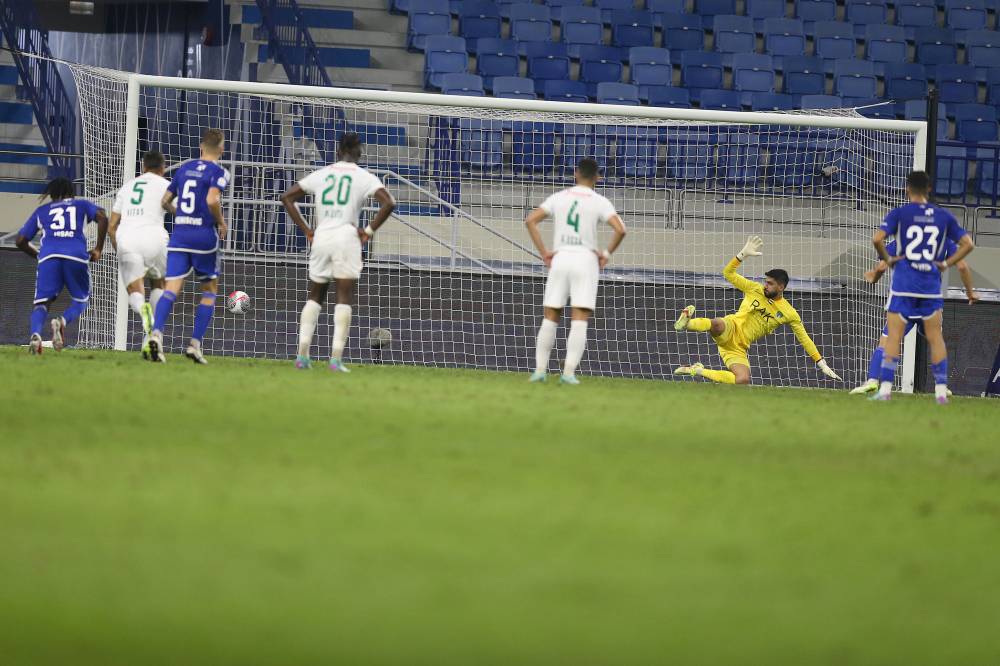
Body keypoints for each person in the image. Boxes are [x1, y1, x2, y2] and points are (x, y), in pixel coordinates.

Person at [279, 132, 396, 372]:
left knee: (316, 294)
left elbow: (287, 197)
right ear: (359, 154)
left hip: (322, 236)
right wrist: (368, 231)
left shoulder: (322, 174)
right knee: (343, 296)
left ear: (336, 152)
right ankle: (335, 360)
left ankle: (302, 356)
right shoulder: (364, 177)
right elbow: (389, 202)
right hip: (346, 237)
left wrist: (307, 231)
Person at [673, 235, 841, 385]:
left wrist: (821, 363)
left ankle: (696, 370)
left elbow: (804, 339)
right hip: (731, 326)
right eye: (765, 281)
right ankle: (686, 324)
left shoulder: (789, 313)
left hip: (738, 347)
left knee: (742, 380)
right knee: (717, 324)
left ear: (781, 287)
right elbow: (728, 273)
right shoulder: (754, 288)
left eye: (770, 283)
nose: (765, 285)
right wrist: (742, 255)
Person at [870, 171, 974, 403]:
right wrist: (946, 264)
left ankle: (885, 389)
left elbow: (877, 239)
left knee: (893, 338)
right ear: (929, 188)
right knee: (936, 338)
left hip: (904, 286)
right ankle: (940, 391)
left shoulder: (901, 214)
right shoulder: (943, 216)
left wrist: (887, 259)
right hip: (929, 288)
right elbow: (968, 245)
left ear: (907, 189)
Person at [525, 158, 627, 385]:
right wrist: (606, 254)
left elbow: (531, 220)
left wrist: (544, 252)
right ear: (597, 177)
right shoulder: (600, 201)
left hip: (561, 258)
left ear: (576, 173)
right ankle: (569, 373)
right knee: (579, 318)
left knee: (551, 315)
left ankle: (540, 371)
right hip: (586, 260)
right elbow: (621, 229)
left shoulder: (559, 197)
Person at [850, 235, 978, 395]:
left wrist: (873, 278)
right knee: (936, 342)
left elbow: (882, 266)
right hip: (929, 302)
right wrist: (970, 292)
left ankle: (873, 380)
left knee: (886, 342)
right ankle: (941, 385)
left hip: (905, 301)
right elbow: (962, 266)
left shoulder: (904, 237)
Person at [148, 129, 230, 364]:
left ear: (201, 147)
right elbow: (212, 199)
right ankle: (194, 345)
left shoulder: (184, 168)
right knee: (209, 291)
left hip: (180, 235)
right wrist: (221, 221)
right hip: (204, 236)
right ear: (221, 150)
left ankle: (156, 335)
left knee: (171, 289)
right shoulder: (220, 172)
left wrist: (180, 214)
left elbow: (165, 201)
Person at [15, 177, 108, 353]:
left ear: (52, 194)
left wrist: (39, 256)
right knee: (81, 298)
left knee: (42, 302)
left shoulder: (42, 210)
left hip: (49, 257)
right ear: (71, 193)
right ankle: (62, 321)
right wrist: (98, 249)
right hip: (76, 255)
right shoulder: (81, 205)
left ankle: (35, 335)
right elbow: (102, 217)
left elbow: (20, 240)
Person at [109, 150, 170, 358]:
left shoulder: (127, 188)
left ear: (143, 167)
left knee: (135, 291)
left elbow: (111, 226)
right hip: (155, 238)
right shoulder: (166, 185)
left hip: (128, 240)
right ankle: (152, 337)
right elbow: (178, 210)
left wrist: (121, 251)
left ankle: (143, 312)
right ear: (162, 168)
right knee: (159, 284)